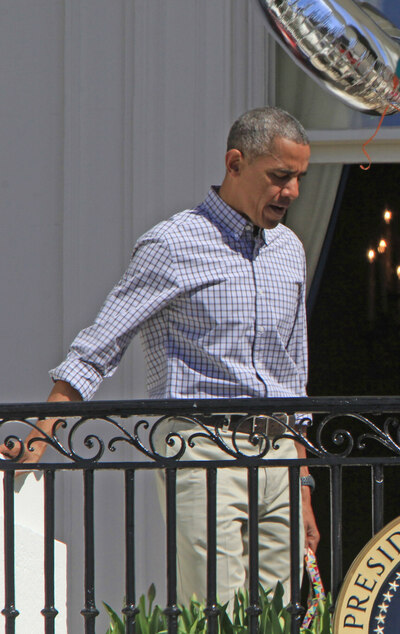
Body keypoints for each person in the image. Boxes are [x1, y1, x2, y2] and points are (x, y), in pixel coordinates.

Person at [2, 106, 320, 606]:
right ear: (235, 163)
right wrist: (41, 434)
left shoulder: (290, 249)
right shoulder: (172, 243)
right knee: (219, 611)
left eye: (300, 178)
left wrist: (302, 479)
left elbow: (293, 368)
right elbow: (101, 343)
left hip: (278, 454)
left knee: (281, 613)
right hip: (200, 445)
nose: (293, 192)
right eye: (280, 176)